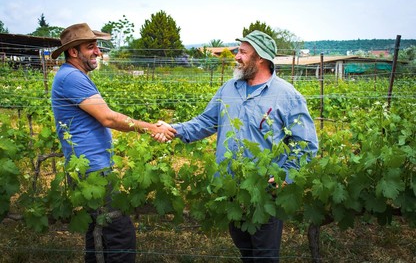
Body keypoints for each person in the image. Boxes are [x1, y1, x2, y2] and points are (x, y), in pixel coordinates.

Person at [158, 30, 318, 262]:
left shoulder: (287, 95)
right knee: (245, 250)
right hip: (231, 188)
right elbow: (205, 122)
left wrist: (287, 174)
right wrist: (172, 130)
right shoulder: (229, 89)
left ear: (260, 58)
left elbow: (306, 143)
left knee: (264, 255)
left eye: (242, 52)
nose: (236, 56)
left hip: (266, 191)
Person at [51, 23, 176, 263]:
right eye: (91, 47)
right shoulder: (71, 78)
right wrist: (151, 128)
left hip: (91, 167)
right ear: (74, 52)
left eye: (97, 46)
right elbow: (108, 117)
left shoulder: (74, 75)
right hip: (92, 171)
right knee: (119, 232)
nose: (97, 52)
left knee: (99, 230)